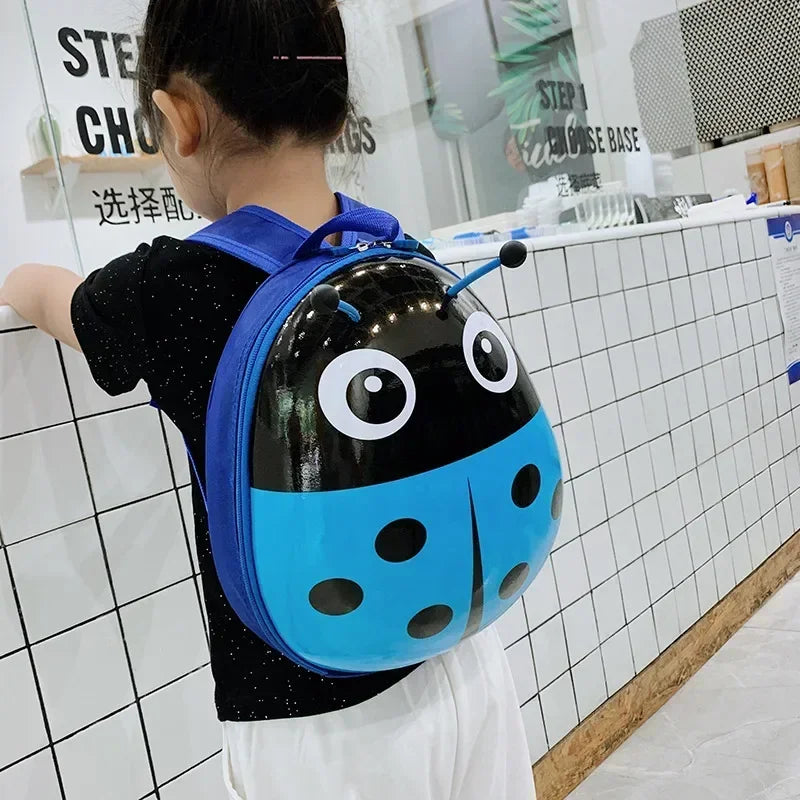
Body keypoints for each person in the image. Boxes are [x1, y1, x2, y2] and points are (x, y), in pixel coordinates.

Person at [0, 1, 536, 797]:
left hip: (318, 724)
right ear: (336, 107)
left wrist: (17, 277)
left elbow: (50, 297)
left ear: (179, 119)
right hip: (465, 660)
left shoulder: (173, 289)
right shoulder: (395, 247)